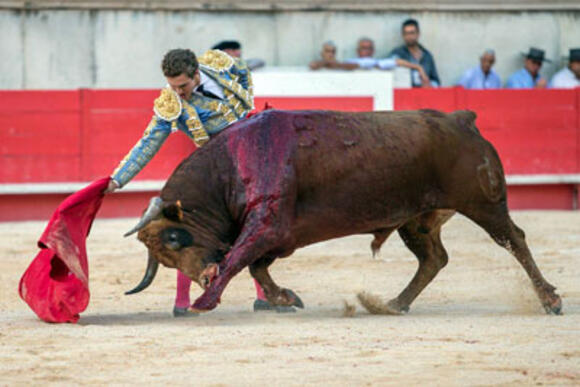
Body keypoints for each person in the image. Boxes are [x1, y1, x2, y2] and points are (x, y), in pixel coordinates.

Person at [106, 48, 289, 316]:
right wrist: (117, 179)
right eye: (172, 86)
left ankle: (264, 296)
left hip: (252, 159)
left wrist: (248, 110)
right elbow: (147, 144)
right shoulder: (171, 103)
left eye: (183, 85)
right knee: (194, 233)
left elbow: (243, 72)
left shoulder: (219, 64)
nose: (178, 93)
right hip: (215, 167)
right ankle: (182, 301)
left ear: (196, 73)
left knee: (257, 225)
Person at [389, 19, 440, 87]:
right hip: (404, 94)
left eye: (412, 33)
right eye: (406, 33)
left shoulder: (427, 56)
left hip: (424, 94)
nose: (409, 37)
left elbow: (436, 81)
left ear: (418, 34)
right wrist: (418, 68)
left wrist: (430, 84)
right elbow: (392, 62)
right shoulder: (398, 52)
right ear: (403, 35)